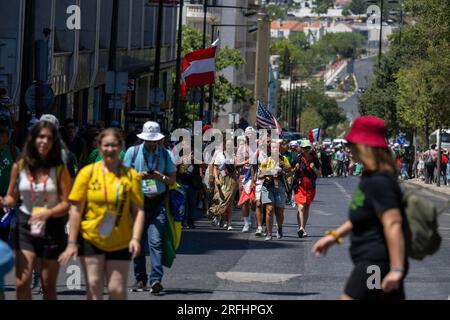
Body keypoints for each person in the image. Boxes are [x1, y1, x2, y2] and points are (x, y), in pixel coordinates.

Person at [312, 116, 408, 300]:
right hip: (372, 261)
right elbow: (362, 216)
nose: (349, 149)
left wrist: (397, 269)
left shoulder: (380, 181)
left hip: (375, 263)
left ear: (364, 146)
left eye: (352, 144)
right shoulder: (370, 177)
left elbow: (393, 223)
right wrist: (333, 237)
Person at [58, 128, 145, 300]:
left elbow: (139, 209)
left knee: (117, 290)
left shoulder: (131, 176)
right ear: (99, 147)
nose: (110, 149)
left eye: (114, 145)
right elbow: (75, 209)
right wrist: (72, 242)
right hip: (91, 239)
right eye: (106, 145)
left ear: (121, 147)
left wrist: (135, 238)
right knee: (94, 289)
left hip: (120, 240)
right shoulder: (87, 173)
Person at [0, 121, 71, 300]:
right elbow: (11, 196)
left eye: (49, 138)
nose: (44, 141)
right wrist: (4, 201)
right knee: (21, 283)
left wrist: (48, 212)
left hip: (52, 227)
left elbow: (66, 203)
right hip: (25, 225)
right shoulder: (20, 166)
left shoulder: (60, 169)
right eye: (41, 137)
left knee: (48, 286)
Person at [123, 121, 176, 295]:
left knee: (156, 242)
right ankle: (140, 278)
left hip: (157, 203)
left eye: (154, 140)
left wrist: (160, 177)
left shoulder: (166, 154)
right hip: (137, 203)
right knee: (137, 243)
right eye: (149, 140)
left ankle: (156, 279)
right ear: (143, 139)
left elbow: (172, 180)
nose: (152, 143)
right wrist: (139, 176)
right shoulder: (133, 152)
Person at [257, 139, 291, 241]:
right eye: (273, 147)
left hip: (279, 186)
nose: (275, 149)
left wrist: (283, 170)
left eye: (277, 147)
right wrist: (268, 172)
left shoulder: (283, 159)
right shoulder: (266, 160)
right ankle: (269, 232)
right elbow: (260, 175)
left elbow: (290, 171)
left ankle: (279, 228)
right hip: (267, 186)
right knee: (269, 209)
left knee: (279, 211)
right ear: (270, 149)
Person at [293, 140, 321, 238]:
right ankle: (300, 228)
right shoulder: (298, 158)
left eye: (308, 148)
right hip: (300, 186)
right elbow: (290, 172)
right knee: (301, 207)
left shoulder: (315, 159)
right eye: (305, 148)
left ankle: (303, 228)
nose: (307, 150)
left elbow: (319, 174)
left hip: (310, 187)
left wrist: (314, 168)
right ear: (302, 149)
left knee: (306, 207)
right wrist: (295, 169)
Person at [0, 126, 20, 243]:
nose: (0, 137)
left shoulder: (14, 151)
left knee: (4, 226)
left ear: (7, 137)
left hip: (8, 195)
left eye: (2, 135)